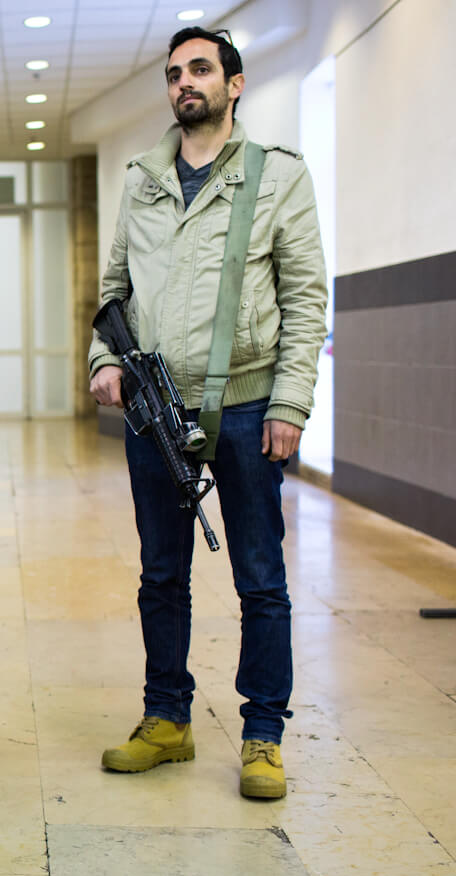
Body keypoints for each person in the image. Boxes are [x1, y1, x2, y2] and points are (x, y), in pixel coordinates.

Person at [88, 27, 327, 798]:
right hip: (154, 405)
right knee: (162, 573)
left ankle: (263, 734)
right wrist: (103, 363)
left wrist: (290, 402)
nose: (184, 82)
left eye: (200, 69)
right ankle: (168, 718)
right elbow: (113, 288)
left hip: (252, 402)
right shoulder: (143, 178)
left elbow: (305, 298)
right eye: (173, 74)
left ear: (235, 84)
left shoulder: (277, 176)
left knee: (260, 576)